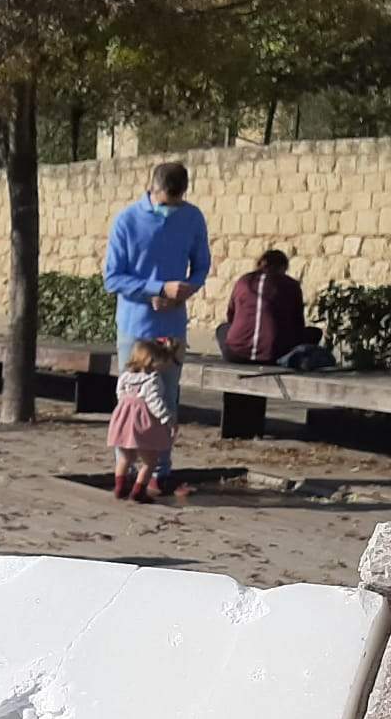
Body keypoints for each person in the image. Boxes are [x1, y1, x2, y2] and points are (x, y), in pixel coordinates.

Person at [104, 162, 209, 492]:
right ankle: (124, 471)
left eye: (177, 202)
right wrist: (158, 288)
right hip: (136, 326)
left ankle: (159, 474)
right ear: (152, 189)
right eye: (165, 203)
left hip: (172, 326)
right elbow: (113, 277)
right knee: (133, 401)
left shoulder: (192, 218)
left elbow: (201, 266)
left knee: (167, 398)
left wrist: (187, 288)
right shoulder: (127, 220)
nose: (171, 209)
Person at [218, 248, 319, 366]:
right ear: (283, 267)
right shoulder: (291, 285)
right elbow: (298, 322)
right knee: (315, 333)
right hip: (277, 354)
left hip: (236, 354)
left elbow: (231, 315)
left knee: (222, 329)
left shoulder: (244, 281)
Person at [107, 338, 177, 504]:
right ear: (152, 361)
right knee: (150, 461)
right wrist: (168, 419)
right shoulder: (152, 379)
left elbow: (120, 394)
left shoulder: (125, 376)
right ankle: (139, 491)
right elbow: (155, 402)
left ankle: (120, 487)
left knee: (125, 458)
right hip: (142, 424)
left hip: (123, 421)